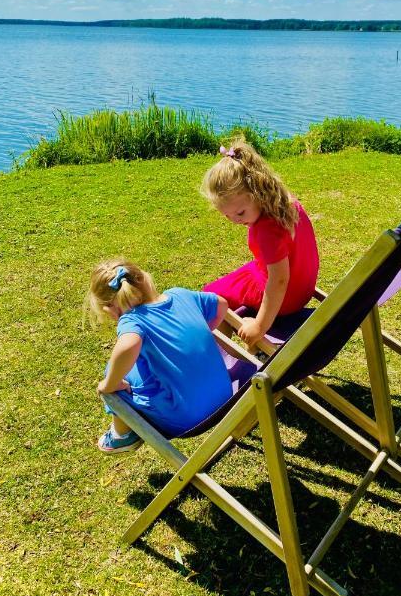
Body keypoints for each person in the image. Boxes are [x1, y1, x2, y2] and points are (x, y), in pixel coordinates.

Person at [85, 259, 232, 454]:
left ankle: (122, 435)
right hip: (227, 396)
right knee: (136, 366)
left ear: (110, 310)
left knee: (113, 372)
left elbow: (128, 345)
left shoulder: (132, 320)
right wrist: (204, 333)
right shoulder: (179, 295)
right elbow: (221, 304)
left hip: (187, 418)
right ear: (144, 279)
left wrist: (109, 384)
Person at [201, 139, 319, 346]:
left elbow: (279, 280)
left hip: (286, 298)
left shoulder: (266, 231)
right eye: (227, 216)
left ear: (257, 193)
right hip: (303, 288)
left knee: (210, 298)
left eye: (240, 212)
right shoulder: (288, 204)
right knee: (231, 281)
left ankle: (215, 358)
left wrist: (259, 326)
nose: (236, 220)